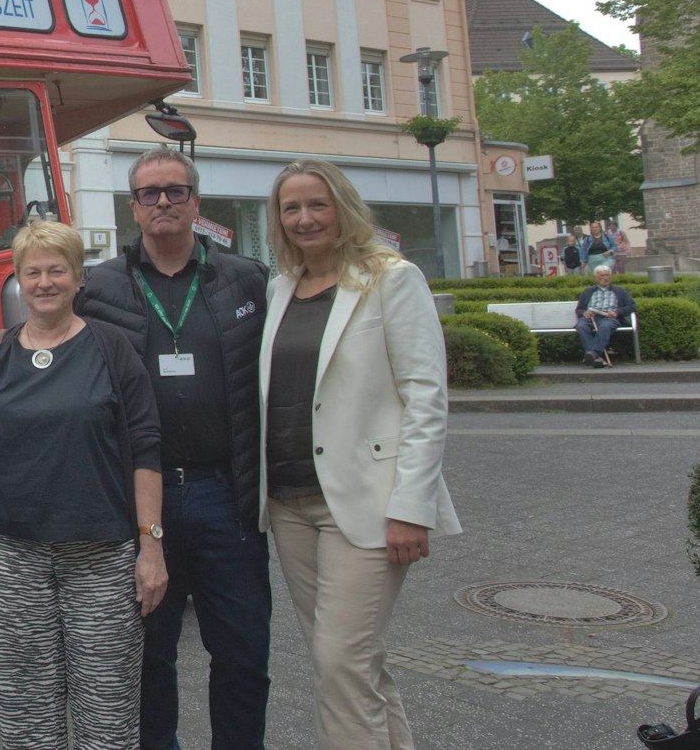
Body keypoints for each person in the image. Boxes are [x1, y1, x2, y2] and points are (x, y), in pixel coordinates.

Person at [260, 159, 461, 750]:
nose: (304, 218)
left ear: (343, 208)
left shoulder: (390, 278)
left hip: (368, 504)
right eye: (291, 208)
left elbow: (427, 399)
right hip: (290, 503)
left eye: (316, 205)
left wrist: (411, 506)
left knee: (340, 660)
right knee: (350, 664)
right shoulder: (281, 287)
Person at [76, 148, 271, 750]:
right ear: (133, 208)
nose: (164, 202)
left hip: (226, 497)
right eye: (150, 193)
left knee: (242, 652)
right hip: (143, 502)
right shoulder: (100, 286)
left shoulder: (245, 279)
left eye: (175, 191)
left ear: (197, 202)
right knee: (147, 657)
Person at [0, 220, 165, 746]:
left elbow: (146, 447)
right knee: (26, 720)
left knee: (108, 718)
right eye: (32, 272)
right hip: (10, 555)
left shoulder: (111, 348)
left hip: (103, 555)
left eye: (56, 271)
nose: (44, 282)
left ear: (78, 278)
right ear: (18, 280)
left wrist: (151, 547)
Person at [574, 264, 636, 369]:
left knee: (605, 326)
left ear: (610, 276)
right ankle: (596, 358)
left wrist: (617, 312)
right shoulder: (588, 292)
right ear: (595, 277)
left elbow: (632, 306)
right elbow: (579, 309)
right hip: (591, 317)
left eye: (607, 275)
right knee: (581, 326)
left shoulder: (619, 291)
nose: (605, 278)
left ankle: (593, 354)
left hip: (609, 317)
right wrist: (584, 313)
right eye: (601, 276)